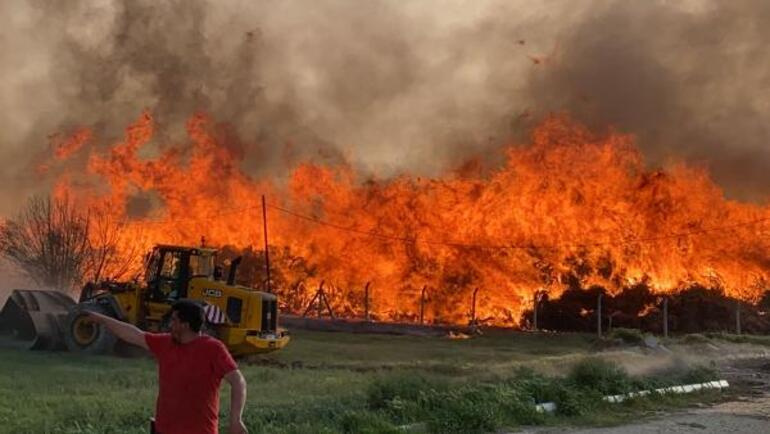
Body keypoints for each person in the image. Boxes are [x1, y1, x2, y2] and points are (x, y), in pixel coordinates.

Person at [86, 300, 248, 434]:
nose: (170, 324)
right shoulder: (165, 343)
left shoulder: (213, 349)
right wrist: (102, 319)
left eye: (174, 320)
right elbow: (134, 334)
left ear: (184, 325)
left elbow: (238, 381)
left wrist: (236, 420)